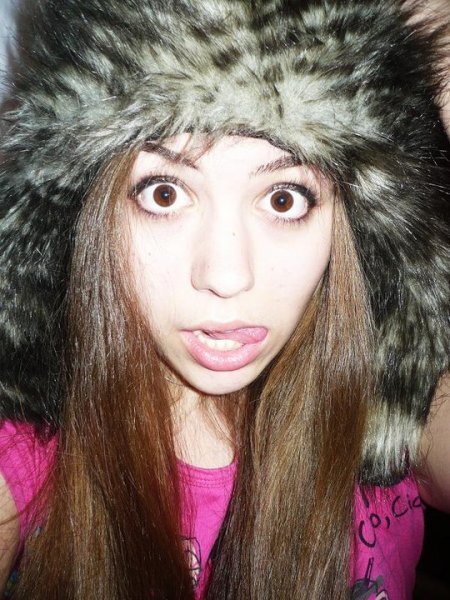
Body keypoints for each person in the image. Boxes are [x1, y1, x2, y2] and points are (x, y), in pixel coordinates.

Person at [0, 0, 448, 598]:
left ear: (353, 226)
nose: (227, 276)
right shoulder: (30, 450)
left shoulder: (396, 415)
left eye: (284, 199)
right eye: (163, 194)